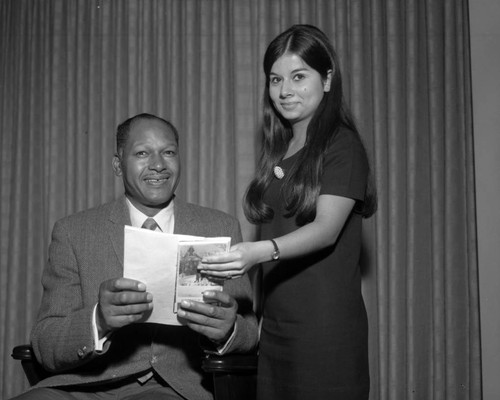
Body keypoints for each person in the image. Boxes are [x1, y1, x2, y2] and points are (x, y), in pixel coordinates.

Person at [12, 113, 258, 400]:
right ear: (118, 165)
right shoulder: (73, 232)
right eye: (142, 153)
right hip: (82, 386)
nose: (158, 164)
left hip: (173, 389)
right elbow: (45, 341)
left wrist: (227, 330)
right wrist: (99, 320)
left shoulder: (219, 228)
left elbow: (250, 332)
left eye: (168, 152)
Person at [199, 24, 377, 400]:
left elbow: (326, 229)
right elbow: (272, 236)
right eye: (275, 79)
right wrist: (261, 317)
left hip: (325, 328)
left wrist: (255, 253)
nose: (284, 91)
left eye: (299, 77)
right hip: (278, 326)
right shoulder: (280, 150)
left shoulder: (342, 145)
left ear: (327, 79)